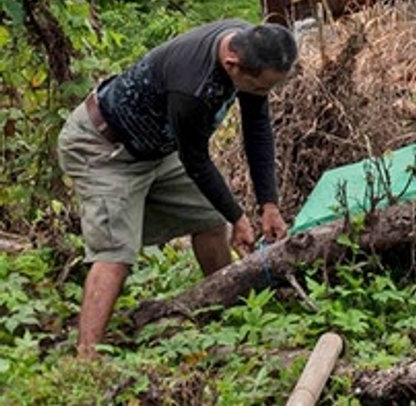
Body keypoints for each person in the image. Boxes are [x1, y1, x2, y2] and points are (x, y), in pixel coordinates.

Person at [57, 18, 298, 358]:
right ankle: (86, 359)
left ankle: (228, 314)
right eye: (261, 88)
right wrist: (240, 217)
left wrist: (268, 204)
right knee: (115, 253)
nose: (264, 95)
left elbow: (257, 128)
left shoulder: (252, 45)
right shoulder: (192, 87)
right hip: (103, 148)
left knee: (209, 217)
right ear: (233, 65)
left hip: (155, 147)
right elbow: (196, 160)